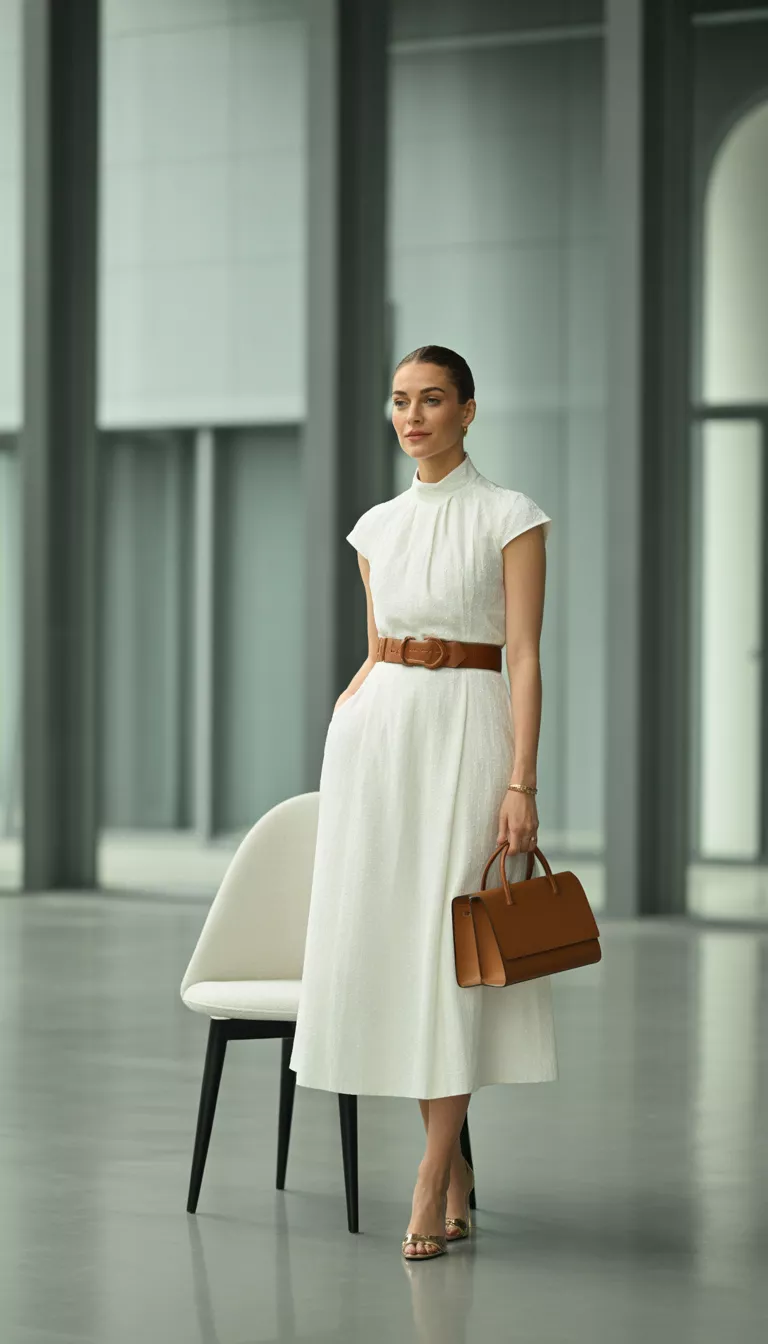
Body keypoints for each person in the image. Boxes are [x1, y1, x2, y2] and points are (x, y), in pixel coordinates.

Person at [289, 344, 558, 1261]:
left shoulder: (512, 517)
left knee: (452, 953)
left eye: (433, 399)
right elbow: (378, 644)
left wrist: (521, 780)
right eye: (401, 400)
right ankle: (454, 1166)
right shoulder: (374, 528)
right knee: (407, 953)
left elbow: (522, 655)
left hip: (468, 735)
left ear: (469, 411)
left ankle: (432, 1170)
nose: (413, 416)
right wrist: (352, 701)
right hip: (379, 742)